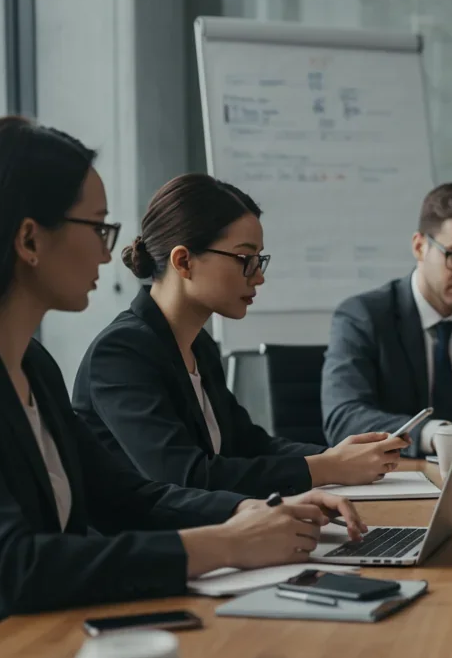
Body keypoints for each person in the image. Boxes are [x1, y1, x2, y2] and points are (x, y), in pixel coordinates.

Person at [0, 118, 366, 657]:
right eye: (98, 229)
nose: (110, 255)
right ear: (30, 239)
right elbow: (7, 569)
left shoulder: (33, 364)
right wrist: (223, 542)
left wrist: (247, 513)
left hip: (50, 642)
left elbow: (128, 497)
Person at [72, 174, 407, 497]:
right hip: (152, 547)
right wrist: (327, 468)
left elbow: (251, 445)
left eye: (260, 260)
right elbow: (187, 477)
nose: (258, 277)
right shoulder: (120, 352)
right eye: (245, 259)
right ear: (184, 261)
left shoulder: (198, 345)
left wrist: (339, 455)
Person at [321, 182, 452, 458]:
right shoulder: (362, 316)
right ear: (420, 247)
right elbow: (344, 418)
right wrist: (437, 435)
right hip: (395, 480)